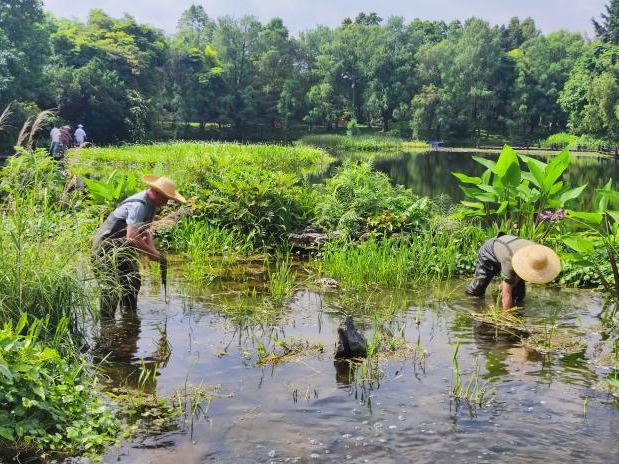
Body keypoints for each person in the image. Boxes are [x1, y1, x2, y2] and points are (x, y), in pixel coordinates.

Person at [91, 175, 187, 319]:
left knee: (133, 281)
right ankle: (107, 326)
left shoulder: (152, 205)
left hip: (122, 248)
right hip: (105, 248)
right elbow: (132, 235)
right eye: (166, 198)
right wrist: (150, 253)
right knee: (111, 288)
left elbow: (146, 230)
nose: (167, 202)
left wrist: (153, 250)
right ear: (155, 192)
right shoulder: (139, 204)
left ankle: (129, 319)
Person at [465, 234, 560, 310]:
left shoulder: (537, 253)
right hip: (489, 251)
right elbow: (507, 295)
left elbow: (521, 273)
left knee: (519, 295)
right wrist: (507, 317)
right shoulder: (509, 262)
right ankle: (470, 301)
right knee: (477, 290)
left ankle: (502, 291)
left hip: (510, 248)